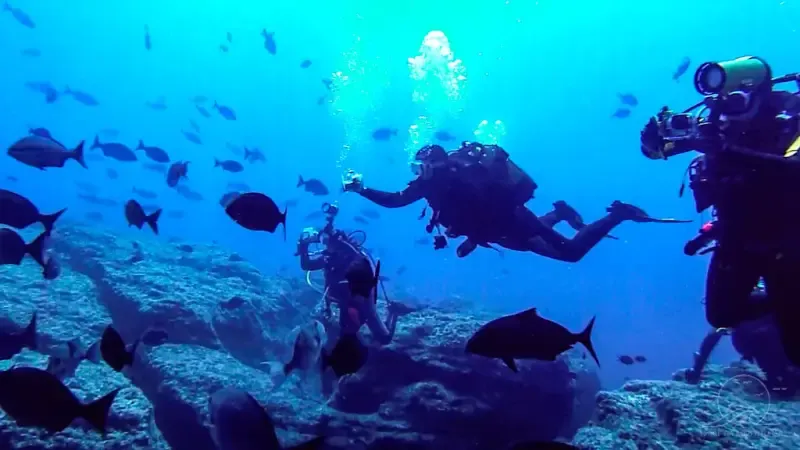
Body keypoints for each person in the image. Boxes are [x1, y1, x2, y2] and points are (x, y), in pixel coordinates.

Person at [640, 55, 800, 365]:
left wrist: (726, 150)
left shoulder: (791, 118)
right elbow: (660, 151)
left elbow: (794, 171)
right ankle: (785, 304)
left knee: (797, 349)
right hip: (737, 236)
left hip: (788, 237)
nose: (730, 107)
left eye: (739, 98)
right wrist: (652, 140)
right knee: (722, 314)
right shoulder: (718, 122)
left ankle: (788, 305)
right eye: (725, 99)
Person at [343, 142, 681, 262]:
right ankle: (558, 212)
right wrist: (362, 189)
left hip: (513, 222)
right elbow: (395, 201)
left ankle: (617, 215)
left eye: (421, 167)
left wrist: (475, 238)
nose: (417, 173)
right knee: (527, 245)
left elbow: (488, 212)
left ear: (436, 165)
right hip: (500, 230)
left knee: (571, 254)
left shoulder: (459, 181)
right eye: (415, 167)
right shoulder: (427, 185)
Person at [296, 202, 410, 345]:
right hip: (343, 301)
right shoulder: (329, 258)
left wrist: (357, 305)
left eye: (328, 243)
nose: (325, 246)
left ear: (339, 242)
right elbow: (307, 265)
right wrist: (303, 247)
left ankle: (394, 312)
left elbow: (364, 281)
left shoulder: (354, 258)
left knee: (384, 338)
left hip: (362, 302)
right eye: (324, 242)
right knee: (342, 334)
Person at [686, 280, 799, 397]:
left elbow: (713, 336)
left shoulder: (738, 305)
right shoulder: (765, 301)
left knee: (783, 381)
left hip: (765, 344)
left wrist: (697, 369)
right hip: (768, 344)